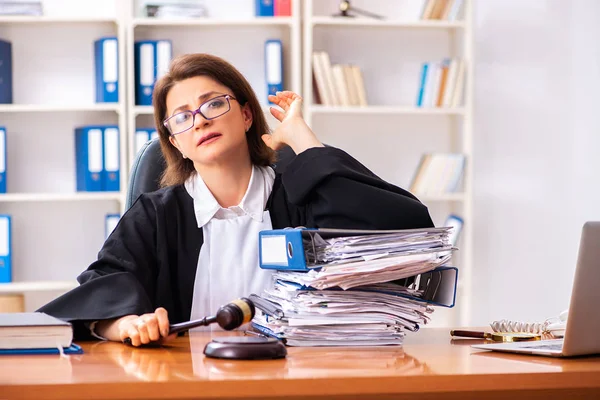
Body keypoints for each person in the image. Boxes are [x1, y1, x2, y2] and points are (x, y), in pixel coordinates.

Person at [38, 53, 434, 346]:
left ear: (246, 115)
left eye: (213, 103)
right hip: (186, 382)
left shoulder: (303, 196)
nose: (201, 120)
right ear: (175, 142)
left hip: (305, 377)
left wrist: (302, 141)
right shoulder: (157, 215)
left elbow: (407, 228)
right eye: (182, 117)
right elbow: (97, 295)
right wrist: (123, 325)